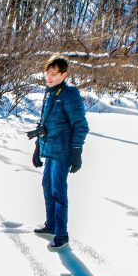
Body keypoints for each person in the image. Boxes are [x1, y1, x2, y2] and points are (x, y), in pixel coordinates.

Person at [29, 54, 89, 250]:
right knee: (46, 186)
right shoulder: (50, 92)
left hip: (63, 151)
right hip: (50, 148)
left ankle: (62, 234)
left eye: (54, 74)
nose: (50, 77)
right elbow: (44, 123)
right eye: (48, 73)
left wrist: (76, 151)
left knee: (58, 191)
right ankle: (51, 224)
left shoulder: (69, 93)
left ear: (64, 74)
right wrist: (38, 147)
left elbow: (80, 125)